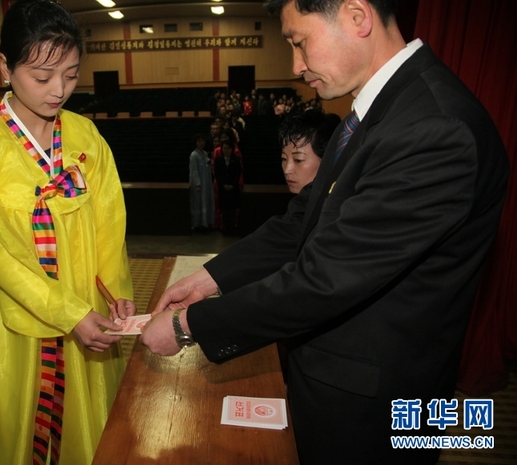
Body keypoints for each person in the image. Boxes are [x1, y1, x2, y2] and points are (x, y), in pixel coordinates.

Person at [141, 0, 509, 463]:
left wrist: (188, 326)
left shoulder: (433, 128)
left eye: (299, 42)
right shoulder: (379, 110)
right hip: (338, 381)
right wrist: (211, 277)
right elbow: (305, 219)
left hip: (376, 407)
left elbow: (324, 279)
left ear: (357, 16)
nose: (296, 66)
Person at [0, 1, 136, 463]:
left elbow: (110, 222)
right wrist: (67, 312)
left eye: (71, 75)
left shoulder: (86, 136)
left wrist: (115, 291)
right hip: (15, 318)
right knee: (19, 421)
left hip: (87, 313)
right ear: (4, 67)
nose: (59, 91)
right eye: (42, 76)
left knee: (89, 426)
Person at [214, 140, 242, 235]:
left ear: (232, 149)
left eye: (228, 148)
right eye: (224, 148)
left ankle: (232, 229)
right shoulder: (218, 159)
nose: (226, 150)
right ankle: (225, 229)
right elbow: (217, 174)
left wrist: (232, 185)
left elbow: (238, 173)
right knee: (224, 210)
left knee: (232, 210)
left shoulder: (236, 159)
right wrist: (223, 185)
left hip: (233, 188)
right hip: (223, 188)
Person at [189, 133, 215, 233]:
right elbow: (194, 171)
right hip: (199, 184)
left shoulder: (205, 153)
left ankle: (205, 223)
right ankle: (197, 224)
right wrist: (197, 184)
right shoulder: (194, 155)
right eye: (199, 141)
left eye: (203, 141)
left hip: (206, 181)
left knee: (206, 201)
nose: (201, 143)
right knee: (198, 203)